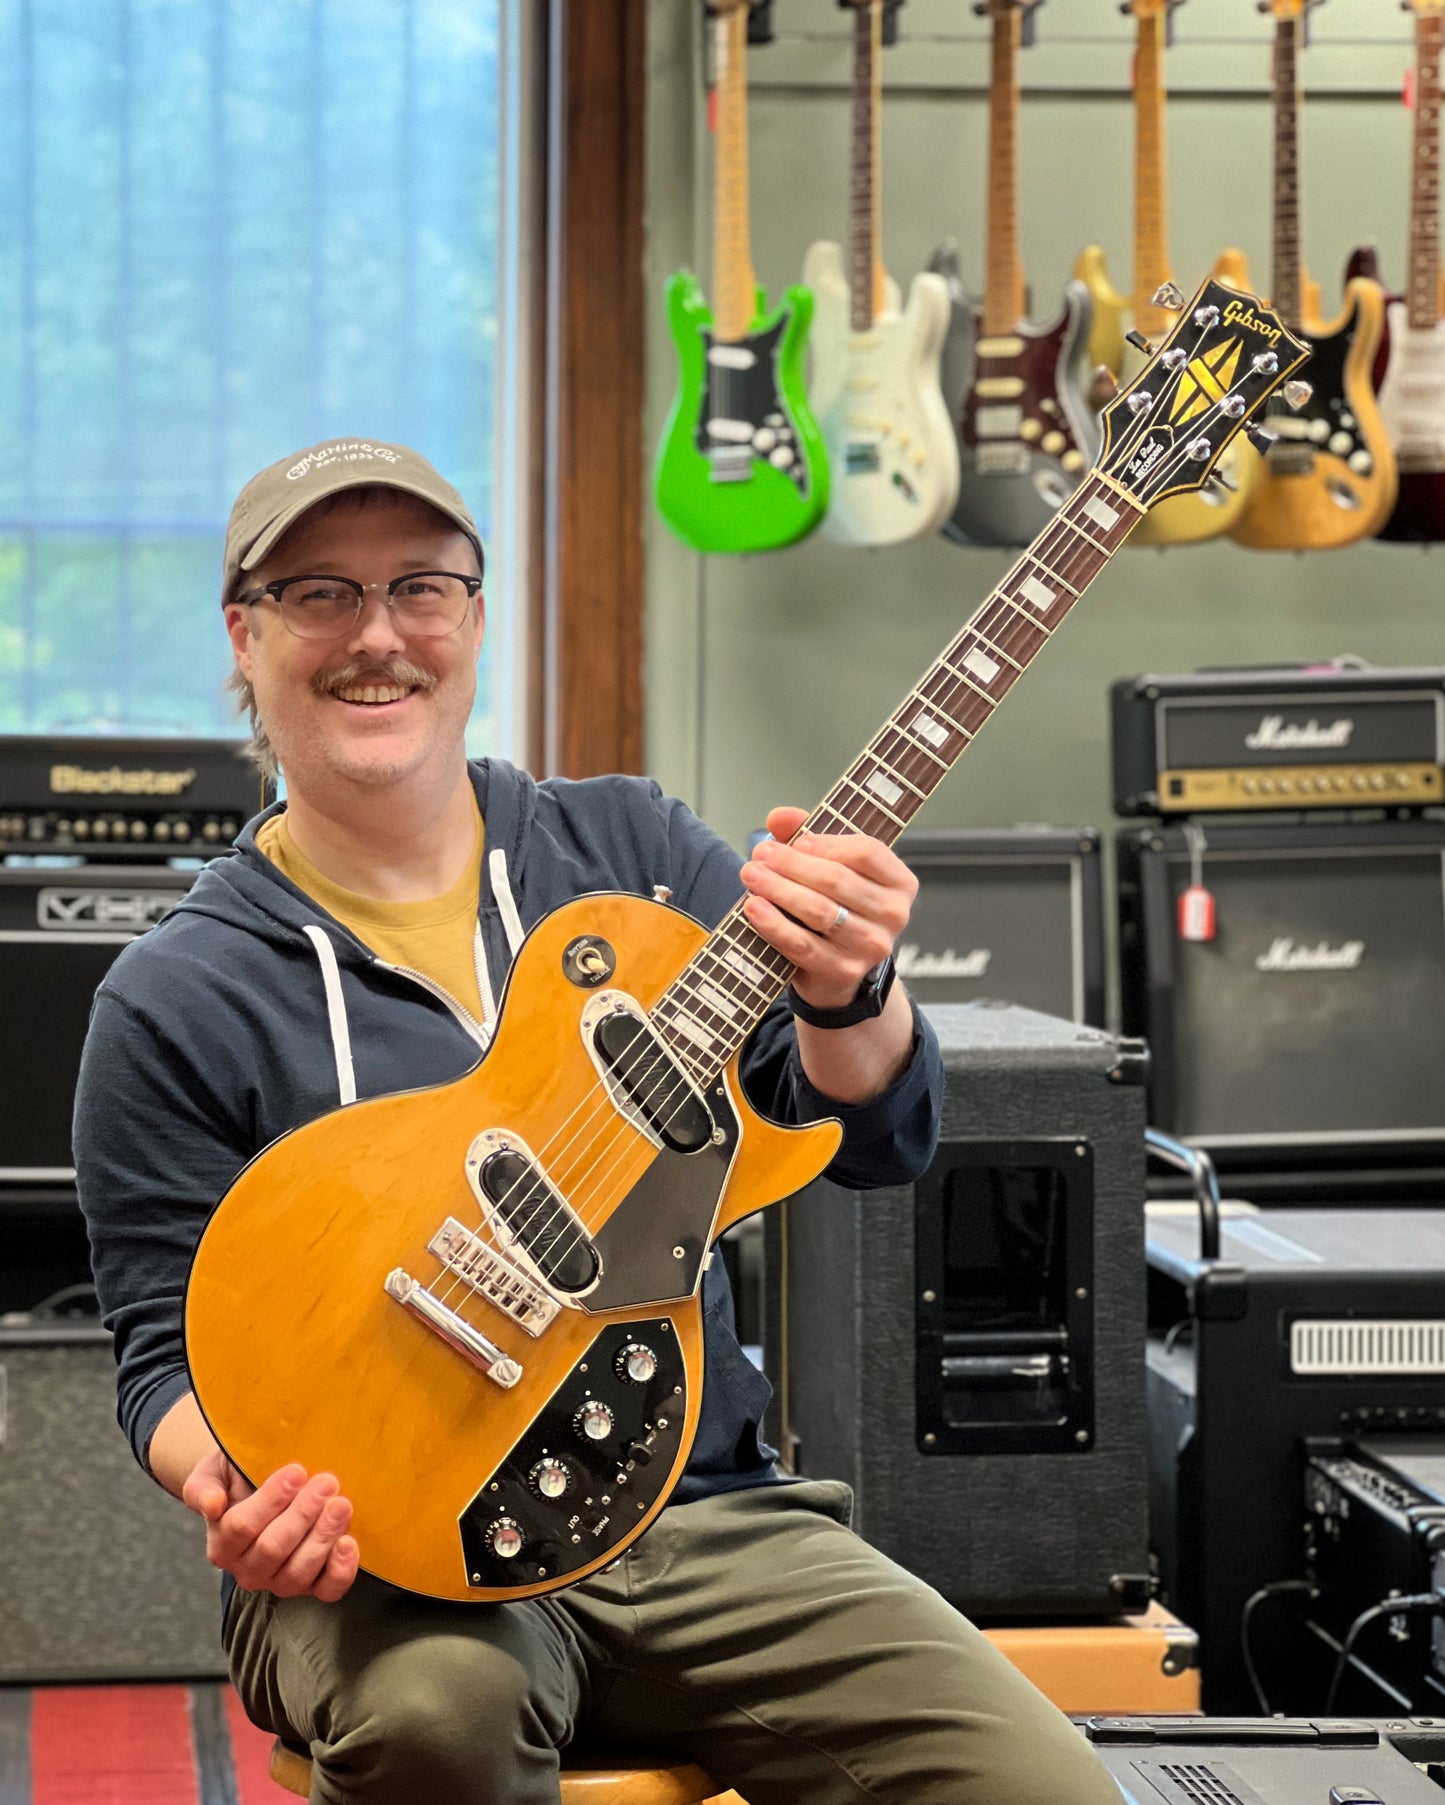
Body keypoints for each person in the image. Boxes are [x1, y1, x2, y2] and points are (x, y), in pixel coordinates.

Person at [75, 439, 1122, 1805]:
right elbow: (160, 1351)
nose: (377, 635)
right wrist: (239, 1487)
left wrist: (852, 985)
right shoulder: (174, 994)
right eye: (320, 592)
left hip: (712, 1520)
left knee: (1044, 1789)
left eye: (422, 589)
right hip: (392, 1555)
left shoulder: (634, 854)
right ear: (247, 632)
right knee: (438, 1720)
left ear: (476, 619)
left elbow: (865, 1135)